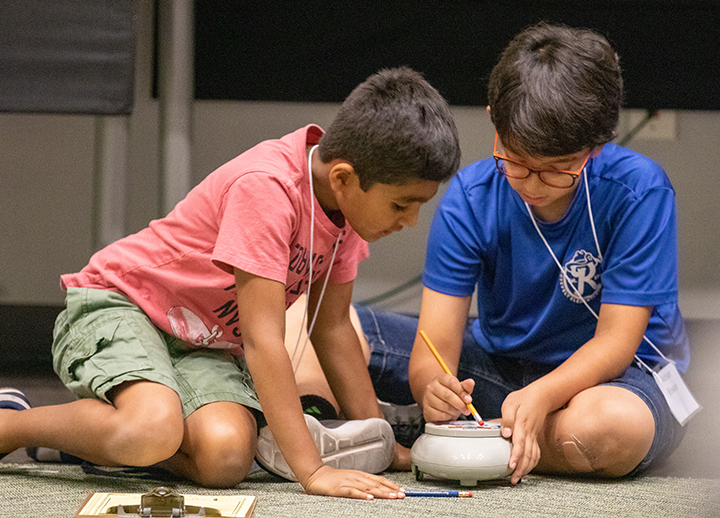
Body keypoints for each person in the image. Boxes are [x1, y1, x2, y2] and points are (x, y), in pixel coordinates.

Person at [0, 67, 461, 499]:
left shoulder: (346, 215)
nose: (412, 220)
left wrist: (382, 446)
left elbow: (333, 329)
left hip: (202, 343)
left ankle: (90, 441)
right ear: (343, 177)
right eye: (402, 205)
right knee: (151, 429)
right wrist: (313, 471)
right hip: (123, 305)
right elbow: (263, 342)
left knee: (225, 459)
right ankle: (15, 425)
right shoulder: (268, 189)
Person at [353, 22, 691, 484]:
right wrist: (433, 389)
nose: (532, 184)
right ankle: (466, 429)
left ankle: (447, 441)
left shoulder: (638, 190)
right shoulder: (471, 195)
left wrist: (543, 396)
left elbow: (616, 342)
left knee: (605, 431)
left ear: (595, 147)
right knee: (330, 329)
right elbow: (435, 343)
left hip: (619, 379)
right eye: (515, 160)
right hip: (501, 370)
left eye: (556, 170)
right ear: (495, 120)